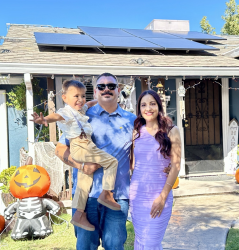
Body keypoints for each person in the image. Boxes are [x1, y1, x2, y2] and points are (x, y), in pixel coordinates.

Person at [55, 73, 136, 249]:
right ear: (96, 91)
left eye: (111, 86)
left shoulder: (132, 121)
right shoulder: (81, 117)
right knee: (85, 246)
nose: (106, 89)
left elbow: (141, 154)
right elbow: (60, 149)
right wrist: (81, 166)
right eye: (101, 86)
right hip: (86, 198)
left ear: (118, 90)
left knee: (115, 246)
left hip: (117, 197)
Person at [30, 79, 120, 232]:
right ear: (64, 98)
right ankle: (107, 193)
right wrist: (44, 119)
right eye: (76, 96)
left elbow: (89, 104)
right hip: (81, 145)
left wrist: (98, 98)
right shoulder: (65, 112)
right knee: (112, 162)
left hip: (83, 147)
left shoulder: (80, 110)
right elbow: (56, 116)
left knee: (85, 180)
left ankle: (78, 213)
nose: (80, 99)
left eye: (83, 96)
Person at [130, 89, 181, 249]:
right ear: (139, 109)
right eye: (143, 105)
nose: (148, 108)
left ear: (159, 106)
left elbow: (177, 166)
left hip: (160, 193)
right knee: (140, 241)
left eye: (152, 103)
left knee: (151, 243)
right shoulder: (136, 132)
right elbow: (133, 164)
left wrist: (163, 197)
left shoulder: (172, 131)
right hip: (137, 195)